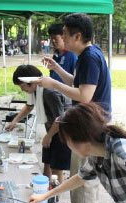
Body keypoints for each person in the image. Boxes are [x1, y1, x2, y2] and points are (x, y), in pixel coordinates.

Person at [37, 13, 112, 203]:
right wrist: (57, 70)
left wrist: (53, 84)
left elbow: (84, 95)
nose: (62, 38)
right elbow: (77, 82)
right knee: (89, 174)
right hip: (92, 122)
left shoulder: (89, 57)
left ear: (77, 35)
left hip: (91, 125)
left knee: (84, 177)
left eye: (65, 34)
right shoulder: (87, 55)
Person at [41, 23, 78, 183]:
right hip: (53, 99)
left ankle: (56, 185)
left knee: (58, 146)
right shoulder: (56, 56)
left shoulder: (72, 56)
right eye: (51, 39)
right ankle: (49, 182)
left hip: (65, 104)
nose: (54, 42)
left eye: (55, 39)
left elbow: (73, 83)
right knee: (50, 146)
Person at [5, 65, 46, 134]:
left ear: (32, 82)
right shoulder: (33, 88)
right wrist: (14, 121)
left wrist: (49, 136)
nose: (22, 89)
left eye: (22, 86)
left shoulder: (47, 91)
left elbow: (59, 119)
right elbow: (29, 107)